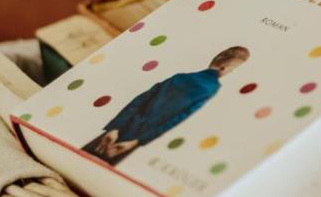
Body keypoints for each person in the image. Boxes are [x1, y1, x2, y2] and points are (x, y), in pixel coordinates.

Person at [83, 46, 249, 165]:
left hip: (120, 129)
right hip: (135, 138)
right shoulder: (211, 88)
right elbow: (176, 120)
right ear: (224, 67)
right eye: (232, 70)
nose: (230, 73)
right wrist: (137, 141)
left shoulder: (179, 77)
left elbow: (140, 99)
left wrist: (115, 128)